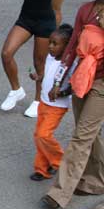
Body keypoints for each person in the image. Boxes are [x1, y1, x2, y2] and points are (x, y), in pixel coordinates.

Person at [43, 0, 104, 209]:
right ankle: (97, 181)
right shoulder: (85, 10)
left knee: (81, 137)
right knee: (91, 132)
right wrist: (59, 81)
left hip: (103, 83)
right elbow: (70, 49)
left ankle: (59, 193)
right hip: (83, 79)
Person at [30, 24, 74, 181]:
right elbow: (47, 73)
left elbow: (74, 86)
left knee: (43, 135)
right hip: (43, 101)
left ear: (67, 46)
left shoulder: (69, 64)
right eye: (50, 42)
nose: (50, 46)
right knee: (39, 136)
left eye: (55, 44)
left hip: (57, 106)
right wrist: (39, 77)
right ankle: (42, 168)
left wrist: (60, 93)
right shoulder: (50, 57)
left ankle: (61, 162)